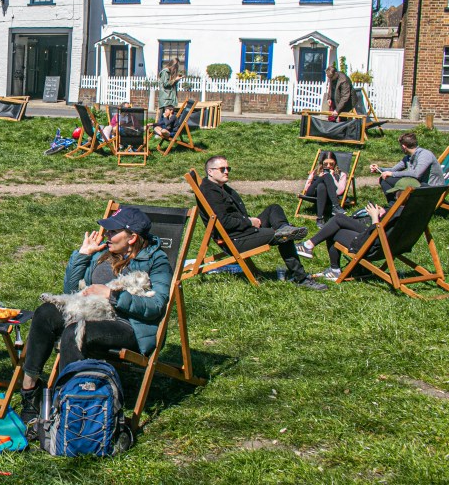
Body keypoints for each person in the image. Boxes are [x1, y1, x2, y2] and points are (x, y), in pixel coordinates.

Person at [17, 207, 171, 424]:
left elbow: (156, 305)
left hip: (127, 325)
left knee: (76, 330)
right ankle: (30, 392)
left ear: (132, 237)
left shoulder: (156, 260)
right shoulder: (103, 254)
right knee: (45, 313)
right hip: (87, 309)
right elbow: (70, 290)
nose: (106, 235)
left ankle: (68, 406)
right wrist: (82, 256)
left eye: (113, 232)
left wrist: (112, 295)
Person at [199, 155, 326, 290]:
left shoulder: (219, 186)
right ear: (210, 171)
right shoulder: (210, 192)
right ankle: (300, 278)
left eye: (227, 168)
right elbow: (224, 222)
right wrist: (248, 222)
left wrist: (248, 221)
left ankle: (285, 227)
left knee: (274, 209)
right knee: (284, 237)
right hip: (236, 239)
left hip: (242, 231)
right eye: (222, 169)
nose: (226, 171)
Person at [295, 202, 390, 281]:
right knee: (337, 221)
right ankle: (332, 267)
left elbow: (376, 235)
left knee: (335, 224)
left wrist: (374, 216)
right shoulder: (402, 214)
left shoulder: (399, 211)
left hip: (373, 245)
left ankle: (309, 246)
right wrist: (384, 212)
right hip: (386, 245)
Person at [369, 132, 446, 198]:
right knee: (385, 179)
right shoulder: (408, 157)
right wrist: (379, 169)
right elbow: (393, 170)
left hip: (432, 188)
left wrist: (392, 174)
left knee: (394, 179)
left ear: (404, 146)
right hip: (419, 184)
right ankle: (394, 205)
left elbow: (416, 174)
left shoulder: (425, 155)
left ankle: (398, 206)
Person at [302, 151, 348, 226]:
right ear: (322, 163)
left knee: (322, 186)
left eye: (331, 164)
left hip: (329, 196)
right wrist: (320, 177)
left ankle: (320, 218)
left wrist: (332, 177)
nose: (328, 166)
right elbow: (307, 189)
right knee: (326, 176)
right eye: (325, 164)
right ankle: (336, 206)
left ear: (335, 163)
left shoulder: (341, 174)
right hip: (312, 193)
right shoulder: (315, 172)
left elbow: (339, 192)